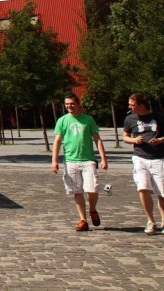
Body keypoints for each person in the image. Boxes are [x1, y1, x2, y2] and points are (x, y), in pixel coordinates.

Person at [51, 92, 108, 231]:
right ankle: (83, 220)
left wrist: (103, 158)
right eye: (67, 104)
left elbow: (97, 139)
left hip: (88, 160)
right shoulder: (62, 121)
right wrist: (54, 160)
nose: (69, 106)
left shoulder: (88, 120)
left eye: (72, 103)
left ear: (78, 104)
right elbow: (57, 141)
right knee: (76, 190)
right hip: (70, 160)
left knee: (92, 189)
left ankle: (92, 209)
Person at [122, 92, 164, 235]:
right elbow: (125, 137)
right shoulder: (130, 119)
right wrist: (134, 140)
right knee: (143, 188)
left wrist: (160, 140)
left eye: (132, 105)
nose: (130, 107)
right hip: (140, 158)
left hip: (159, 158)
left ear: (141, 105)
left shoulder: (158, 117)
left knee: (162, 191)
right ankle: (150, 221)